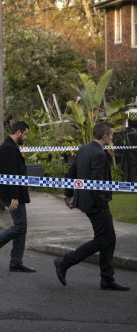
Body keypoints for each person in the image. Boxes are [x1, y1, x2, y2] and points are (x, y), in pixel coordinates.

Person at [54, 121, 130, 291]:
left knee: (109, 239)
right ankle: (64, 262)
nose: (112, 137)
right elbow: (96, 184)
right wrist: (102, 205)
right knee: (103, 240)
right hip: (96, 204)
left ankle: (107, 279)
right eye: (111, 135)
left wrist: (69, 195)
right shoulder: (99, 154)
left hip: (87, 202)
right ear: (104, 136)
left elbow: (71, 174)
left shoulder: (83, 150)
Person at [0, 121, 35, 272]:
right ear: (18, 133)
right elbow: (10, 175)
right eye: (25, 134)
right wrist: (14, 197)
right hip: (12, 194)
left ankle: (16, 261)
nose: (26, 137)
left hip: (15, 193)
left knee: (21, 227)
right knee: (21, 226)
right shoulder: (8, 148)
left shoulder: (10, 146)